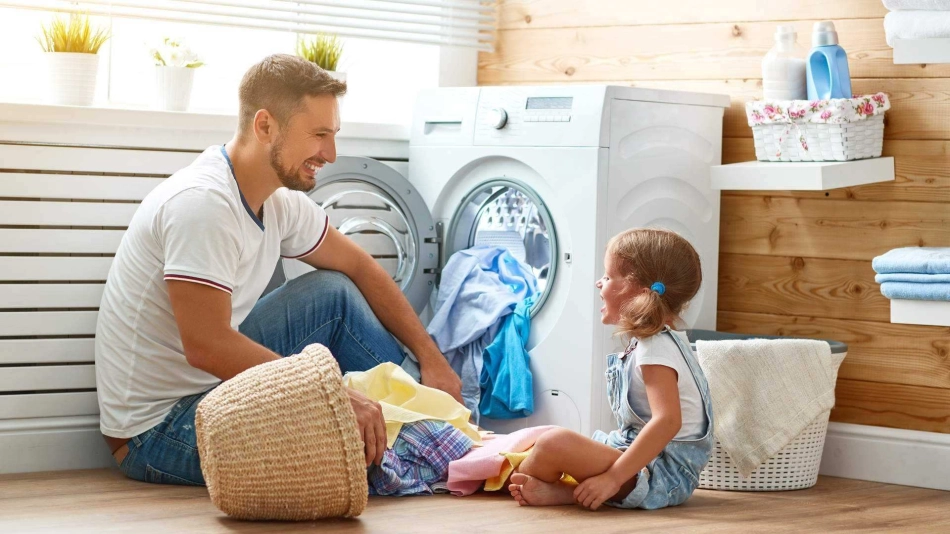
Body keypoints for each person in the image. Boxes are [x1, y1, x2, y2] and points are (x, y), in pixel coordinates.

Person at [94, 54, 462, 486]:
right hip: (157, 430)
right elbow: (207, 346)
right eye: (319, 135)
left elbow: (360, 266)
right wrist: (332, 399)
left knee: (333, 292)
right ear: (265, 126)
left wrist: (432, 358)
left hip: (212, 388)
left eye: (333, 134)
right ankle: (435, 444)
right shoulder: (203, 204)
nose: (331, 153)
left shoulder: (277, 200)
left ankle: (436, 419)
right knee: (344, 447)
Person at [508, 228, 713, 510]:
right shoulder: (652, 342)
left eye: (606, 277)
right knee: (543, 441)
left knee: (553, 443)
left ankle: (516, 481)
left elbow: (668, 421)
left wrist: (614, 478)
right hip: (642, 459)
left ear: (635, 291)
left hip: (663, 475)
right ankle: (566, 493)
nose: (598, 283)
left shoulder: (656, 347)